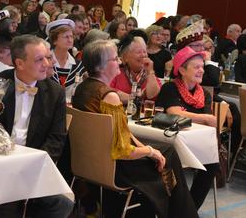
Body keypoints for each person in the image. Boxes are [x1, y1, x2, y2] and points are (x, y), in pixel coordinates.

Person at [73, 39, 198, 218]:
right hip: (115, 168)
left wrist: (148, 149)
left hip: (89, 162)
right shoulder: (109, 97)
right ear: (101, 66)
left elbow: (121, 134)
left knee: (164, 153)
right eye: (114, 59)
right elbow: (122, 149)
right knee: (169, 155)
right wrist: (150, 151)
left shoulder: (82, 88)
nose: (119, 61)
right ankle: (182, 213)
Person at [0, 35, 74, 218]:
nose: (46, 64)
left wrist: (32, 167)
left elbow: (56, 139)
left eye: (47, 57)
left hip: (31, 167)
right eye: (39, 59)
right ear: (19, 64)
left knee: (62, 204)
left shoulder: (55, 93)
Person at [155, 47, 219, 209]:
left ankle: (190, 208)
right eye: (196, 67)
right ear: (182, 70)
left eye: (202, 66)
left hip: (192, 141)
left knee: (212, 163)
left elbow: (206, 124)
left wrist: (202, 119)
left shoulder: (204, 94)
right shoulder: (170, 88)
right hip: (168, 142)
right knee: (174, 162)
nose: (201, 70)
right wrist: (204, 117)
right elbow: (174, 113)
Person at [110, 34, 161, 104]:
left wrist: (150, 72)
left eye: (144, 52)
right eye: (139, 52)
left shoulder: (150, 75)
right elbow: (108, 92)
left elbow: (152, 96)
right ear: (125, 57)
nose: (143, 55)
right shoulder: (116, 73)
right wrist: (137, 98)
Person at [47, 19, 84, 88]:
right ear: (55, 40)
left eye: (71, 37)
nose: (70, 40)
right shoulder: (45, 63)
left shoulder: (78, 66)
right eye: (66, 37)